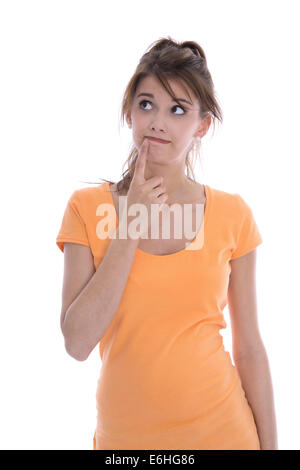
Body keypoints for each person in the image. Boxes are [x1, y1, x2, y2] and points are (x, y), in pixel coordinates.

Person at [56, 36, 278, 450]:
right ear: (129, 113)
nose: (158, 121)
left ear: (202, 125)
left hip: (225, 433)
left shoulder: (233, 215)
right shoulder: (85, 209)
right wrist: (131, 224)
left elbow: (249, 349)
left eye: (177, 109)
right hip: (126, 444)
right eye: (146, 104)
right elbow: (77, 342)